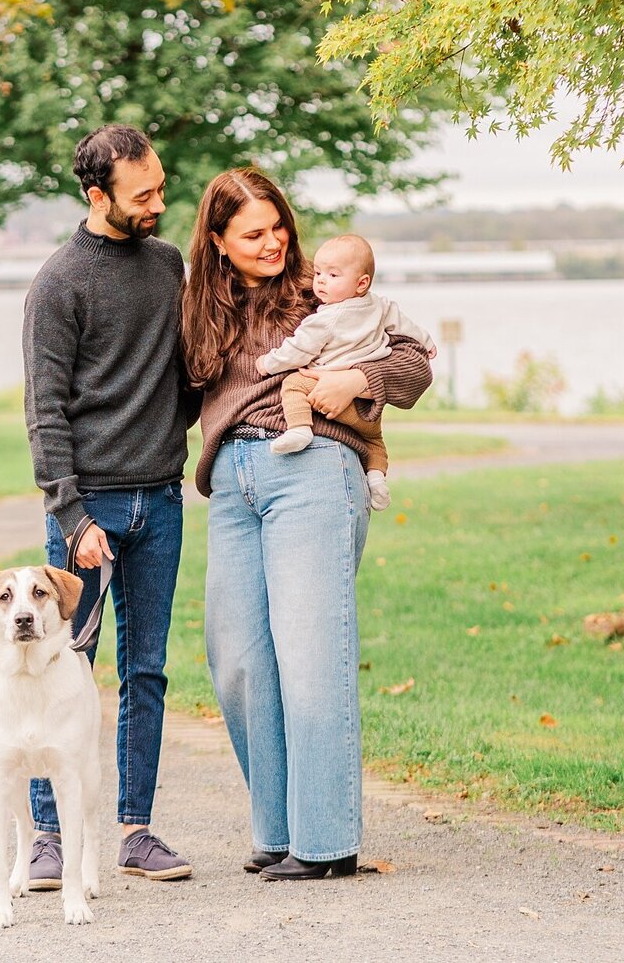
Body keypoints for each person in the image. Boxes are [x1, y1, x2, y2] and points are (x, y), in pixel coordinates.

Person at [181, 167, 433, 881]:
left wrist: (361, 380)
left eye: (278, 228)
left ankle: (325, 844)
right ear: (218, 241)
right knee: (237, 659)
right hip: (232, 482)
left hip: (314, 467)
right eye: (253, 234)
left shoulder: (318, 289)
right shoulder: (200, 309)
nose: (273, 243)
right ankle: (277, 830)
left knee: (311, 652)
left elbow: (414, 361)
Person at [19, 123, 195, 887]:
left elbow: (182, 372)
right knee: (63, 666)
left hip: (161, 500)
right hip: (87, 509)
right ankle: (49, 836)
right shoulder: (59, 284)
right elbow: (45, 410)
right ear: (98, 196)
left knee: (146, 670)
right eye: (142, 194)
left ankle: (135, 829)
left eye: (160, 188)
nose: (158, 203)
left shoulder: (167, 264)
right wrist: (72, 516)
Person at [255, 233, 433, 512]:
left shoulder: (326, 317)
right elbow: (406, 326)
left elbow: (298, 350)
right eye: (318, 273)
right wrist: (428, 342)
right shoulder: (381, 306)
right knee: (374, 441)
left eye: (333, 275)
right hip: (367, 407)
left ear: (361, 283)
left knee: (293, 383)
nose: (321, 281)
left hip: (326, 390)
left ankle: (300, 429)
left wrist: (268, 363)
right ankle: (376, 479)